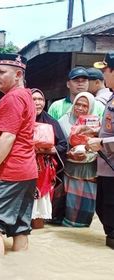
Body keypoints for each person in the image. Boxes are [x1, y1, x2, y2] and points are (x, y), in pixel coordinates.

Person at [0, 54, 37, 256]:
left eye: (2, 72)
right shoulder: (25, 95)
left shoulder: (12, 98)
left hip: (9, 172)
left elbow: (8, 136)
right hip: (26, 172)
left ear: (18, 74)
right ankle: (16, 270)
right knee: (20, 228)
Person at [86, 51, 114, 249]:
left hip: (111, 166)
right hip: (106, 166)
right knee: (103, 208)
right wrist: (95, 130)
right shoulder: (112, 97)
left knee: (110, 212)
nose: (103, 75)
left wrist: (102, 143)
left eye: (105, 70)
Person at [58, 92, 98, 227]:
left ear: (91, 107)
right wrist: (69, 154)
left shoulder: (95, 124)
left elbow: (101, 146)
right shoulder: (63, 121)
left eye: (85, 105)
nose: (80, 108)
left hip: (89, 169)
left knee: (85, 209)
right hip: (69, 169)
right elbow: (58, 144)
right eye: (77, 104)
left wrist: (89, 150)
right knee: (67, 204)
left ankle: (81, 229)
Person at [30, 88, 68, 228]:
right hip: (24, 167)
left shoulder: (51, 122)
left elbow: (63, 144)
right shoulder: (21, 120)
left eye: (40, 99)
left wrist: (52, 150)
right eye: (34, 99)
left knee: (40, 205)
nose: (38, 103)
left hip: (44, 172)